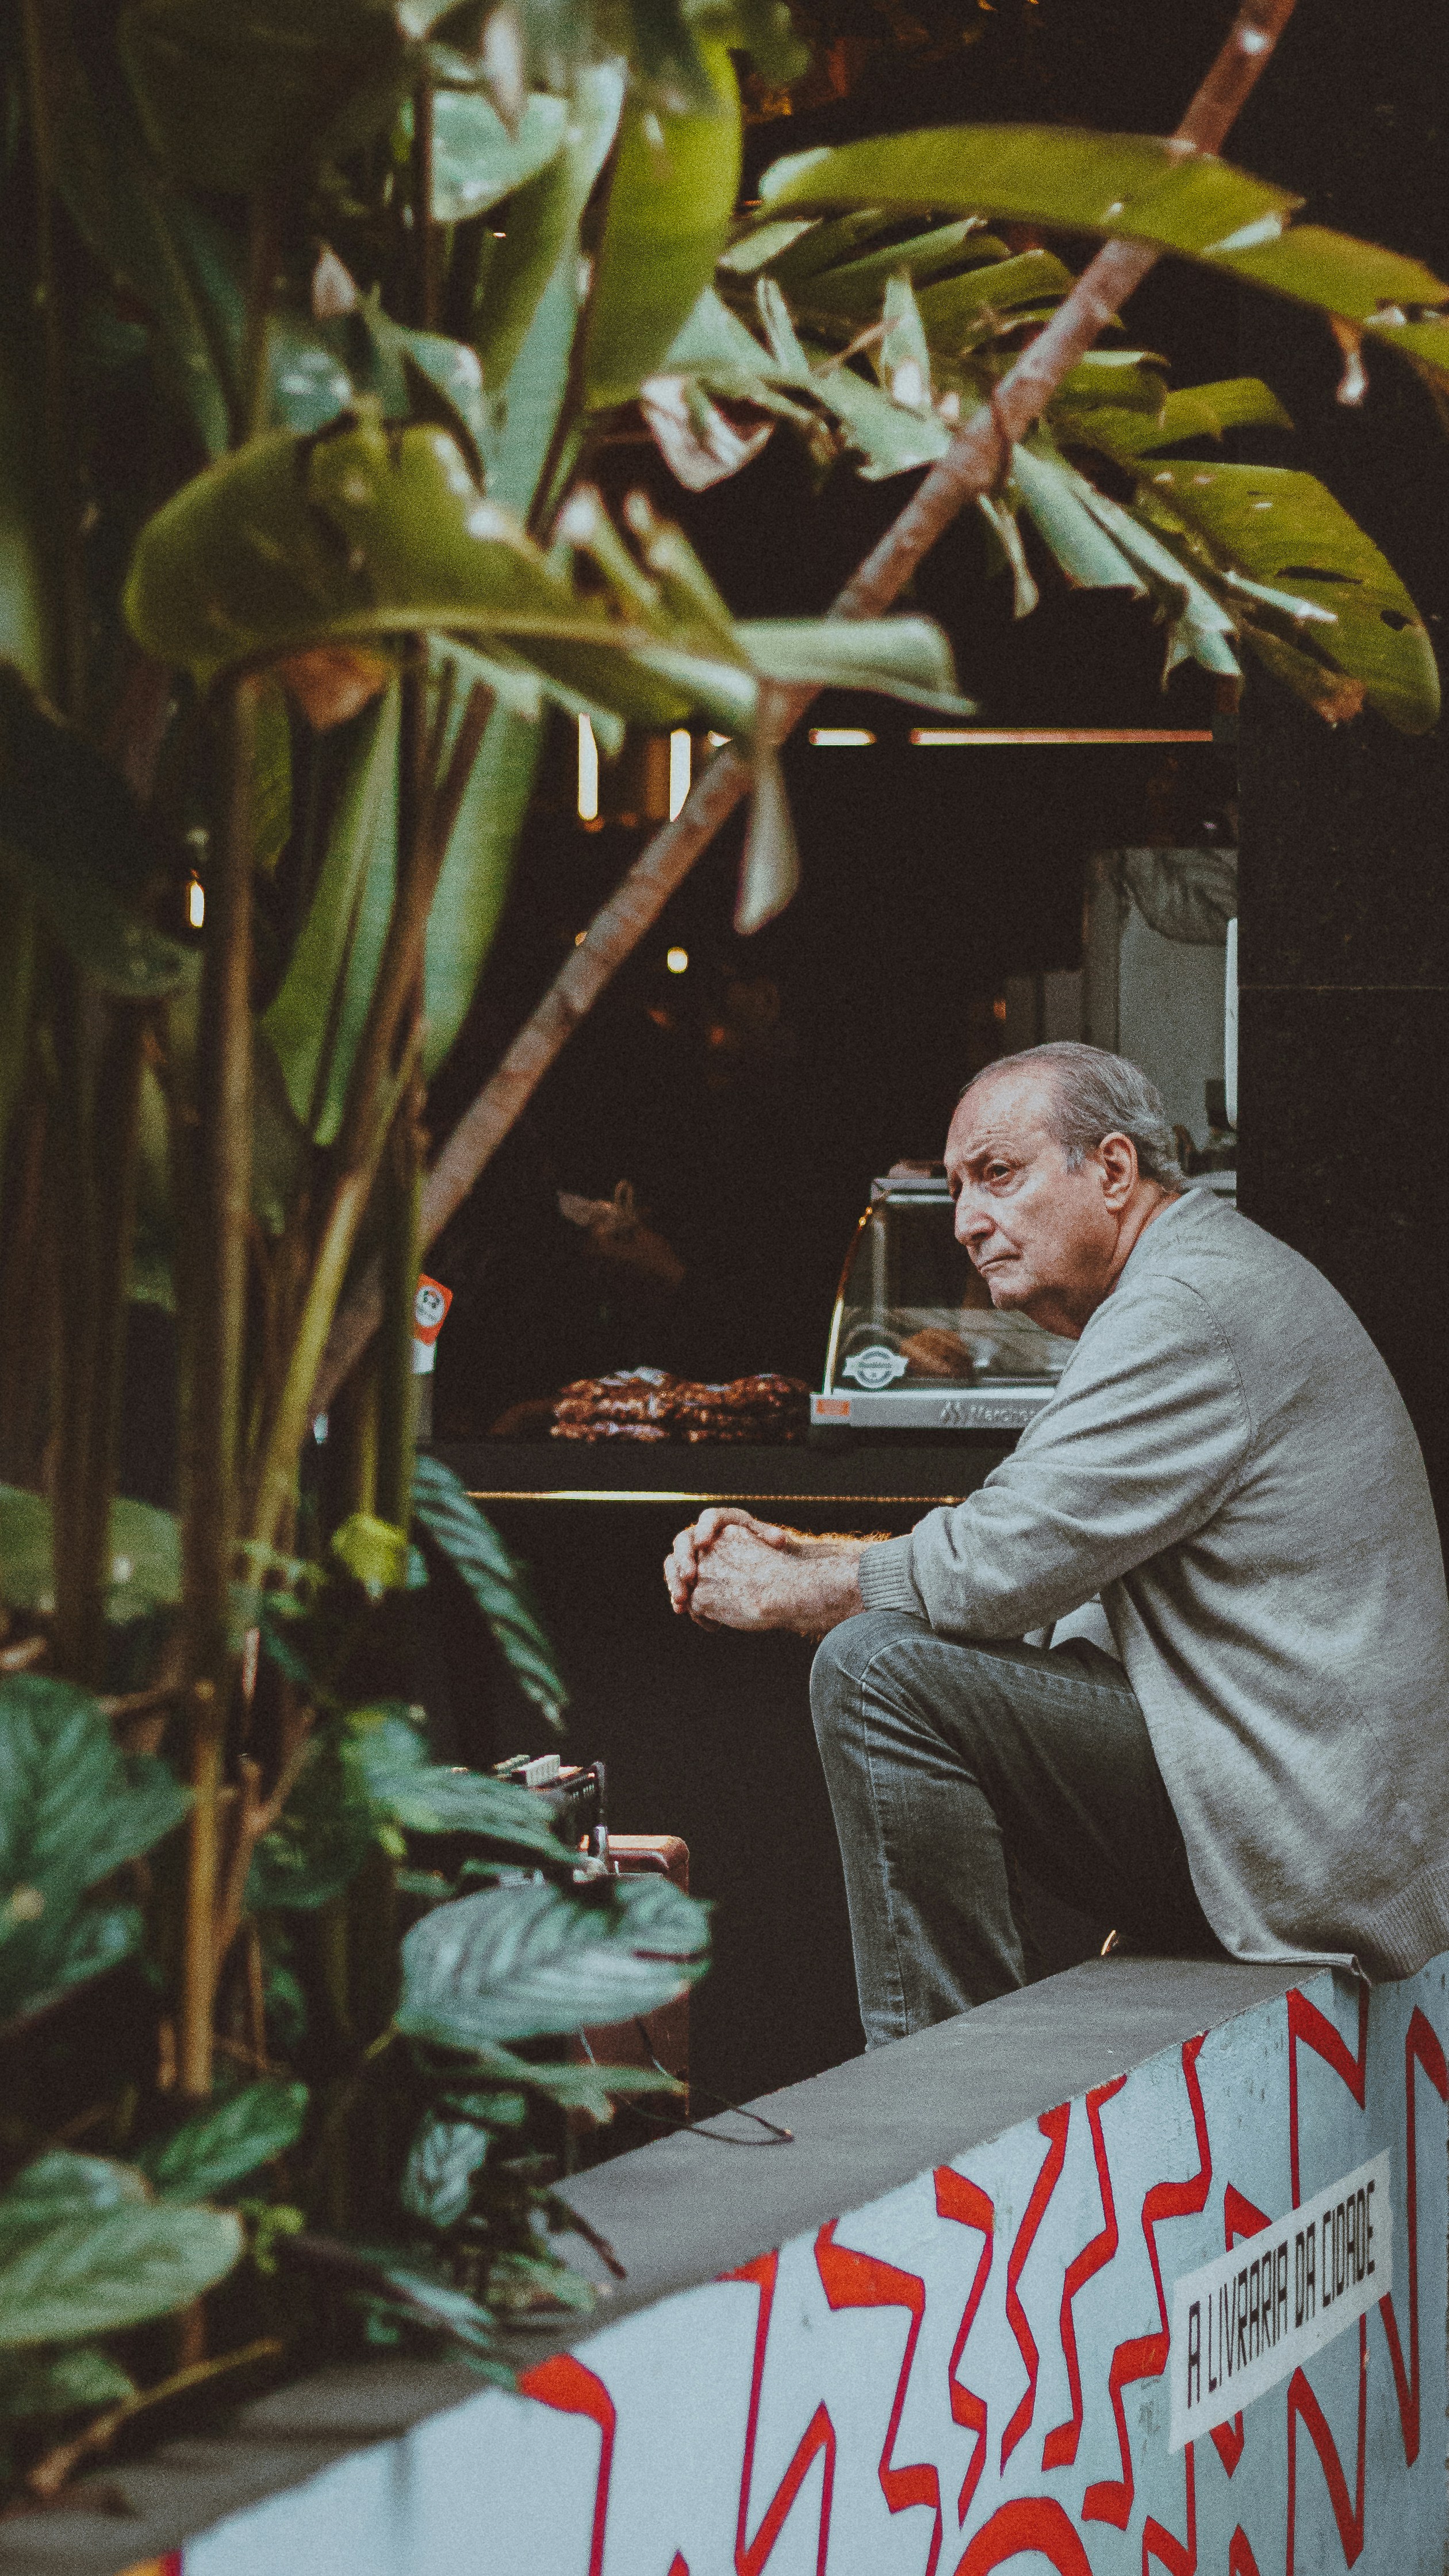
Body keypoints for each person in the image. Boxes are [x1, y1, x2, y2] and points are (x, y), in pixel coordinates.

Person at [664, 1042, 1449, 2047]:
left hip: (1305, 1834)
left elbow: (994, 1572)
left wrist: (787, 1591)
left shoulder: (1187, 1308)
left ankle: (946, 2096)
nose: (966, 1223)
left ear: (1113, 1172)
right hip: (1303, 1803)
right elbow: (1024, 1556)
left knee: (877, 1674)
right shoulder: (1188, 1281)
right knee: (894, 1650)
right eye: (953, 1192)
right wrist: (805, 1551)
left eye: (999, 1175)